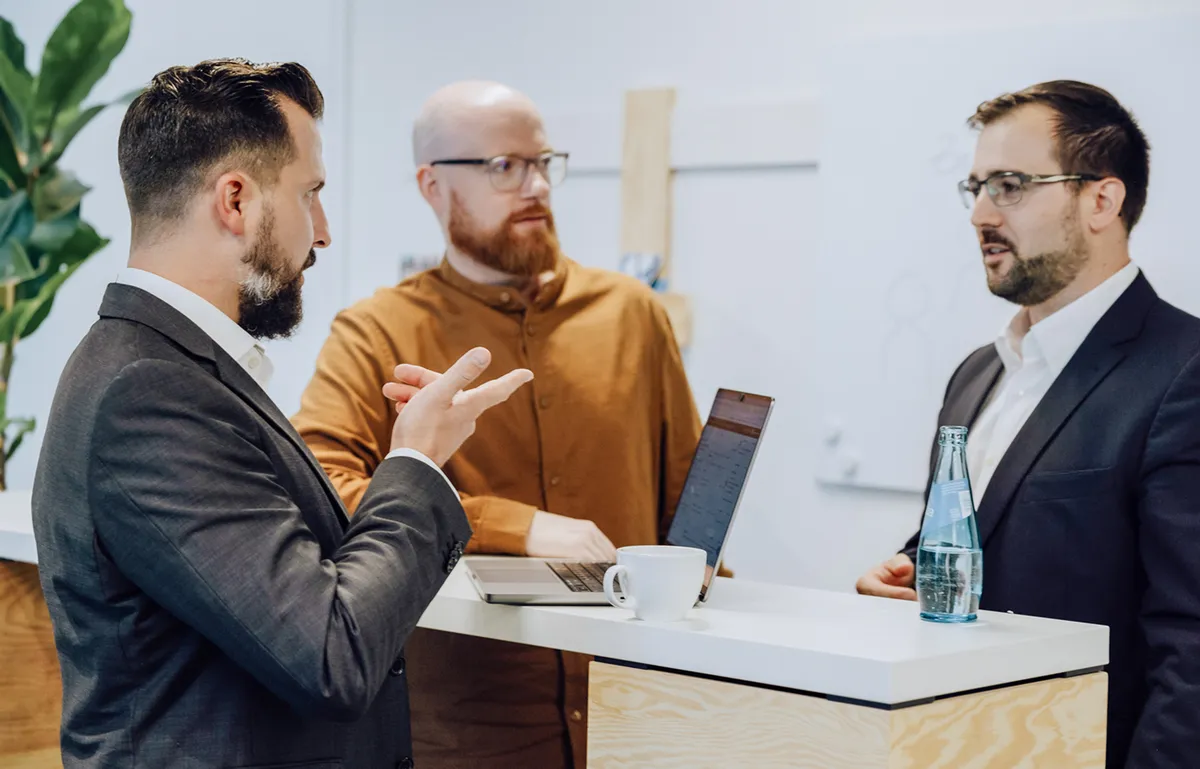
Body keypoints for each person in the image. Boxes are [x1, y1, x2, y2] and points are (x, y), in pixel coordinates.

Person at [31, 59, 531, 769]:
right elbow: (332, 652)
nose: (322, 233)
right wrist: (415, 463)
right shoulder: (148, 391)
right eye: (311, 194)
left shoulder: (168, 369)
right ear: (234, 200)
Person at [291, 80, 702, 768]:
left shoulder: (633, 314)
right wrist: (516, 526)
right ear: (432, 185)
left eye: (544, 162)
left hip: (641, 717)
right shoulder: (375, 331)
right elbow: (324, 488)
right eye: (502, 167)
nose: (536, 186)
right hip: (467, 731)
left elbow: (691, 512)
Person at [856, 80, 1200, 768]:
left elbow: (1191, 644)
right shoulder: (977, 375)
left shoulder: (1182, 372)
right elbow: (981, 543)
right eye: (977, 186)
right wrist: (902, 575)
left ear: (1102, 200)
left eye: (1011, 184)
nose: (982, 212)